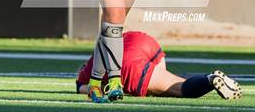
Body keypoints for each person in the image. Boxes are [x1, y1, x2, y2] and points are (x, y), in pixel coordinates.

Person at [76, 31, 242, 100]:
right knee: (180, 87)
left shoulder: (91, 65)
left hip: (130, 64)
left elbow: (83, 87)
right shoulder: (137, 36)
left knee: (177, 88)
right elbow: (161, 68)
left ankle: (209, 79)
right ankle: (209, 79)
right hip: (140, 51)